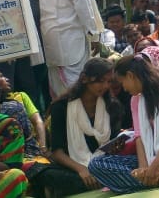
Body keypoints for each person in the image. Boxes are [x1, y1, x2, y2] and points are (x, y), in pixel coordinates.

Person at [88, 54, 159, 193]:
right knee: (96, 164)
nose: (124, 88)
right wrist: (143, 168)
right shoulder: (135, 100)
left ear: (130, 76)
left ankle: (144, 181)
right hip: (149, 158)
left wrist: (156, 165)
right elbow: (139, 137)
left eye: (123, 82)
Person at [27, 59, 121, 196]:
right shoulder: (61, 107)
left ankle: (96, 180)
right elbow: (57, 152)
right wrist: (82, 170)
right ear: (84, 79)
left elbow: (114, 145)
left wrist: (110, 155)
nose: (106, 86)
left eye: (109, 81)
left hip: (105, 165)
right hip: (73, 167)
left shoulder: (112, 106)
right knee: (40, 172)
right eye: (100, 81)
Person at [40, 0, 105, 98]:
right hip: (72, 43)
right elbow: (84, 8)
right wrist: (94, 35)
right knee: (78, 89)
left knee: (60, 92)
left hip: (53, 45)